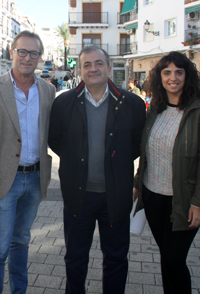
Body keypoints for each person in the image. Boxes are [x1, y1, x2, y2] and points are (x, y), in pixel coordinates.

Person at [48, 46, 145, 293]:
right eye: (87, 64)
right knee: (75, 258)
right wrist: (77, 161)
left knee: (116, 258)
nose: (94, 69)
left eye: (99, 63)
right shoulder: (64, 103)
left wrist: (115, 164)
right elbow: (55, 140)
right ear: (80, 70)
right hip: (78, 196)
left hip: (116, 196)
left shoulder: (132, 103)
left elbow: (136, 144)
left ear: (109, 67)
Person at [0, 30, 56, 293]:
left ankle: (18, 290)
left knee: (21, 240)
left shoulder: (48, 90)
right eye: (22, 51)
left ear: (39, 58)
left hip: (34, 178)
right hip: (2, 178)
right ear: (12, 53)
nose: (27, 57)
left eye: (34, 53)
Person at [133, 51, 200, 294]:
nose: (173, 78)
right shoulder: (155, 109)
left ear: (187, 76)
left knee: (173, 259)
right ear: (159, 77)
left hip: (184, 200)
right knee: (167, 258)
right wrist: (138, 183)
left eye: (178, 72)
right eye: (167, 72)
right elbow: (146, 150)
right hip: (153, 197)